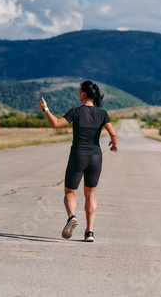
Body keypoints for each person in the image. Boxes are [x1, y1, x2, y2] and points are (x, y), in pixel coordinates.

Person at [38, 81, 117, 242]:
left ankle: (72, 217)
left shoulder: (76, 111)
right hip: (96, 157)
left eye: (79, 91)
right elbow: (113, 133)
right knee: (91, 194)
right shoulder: (102, 114)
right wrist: (114, 144)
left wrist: (45, 109)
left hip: (78, 155)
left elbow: (55, 124)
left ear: (83, 94)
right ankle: (89, 233)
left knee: (70, 192)